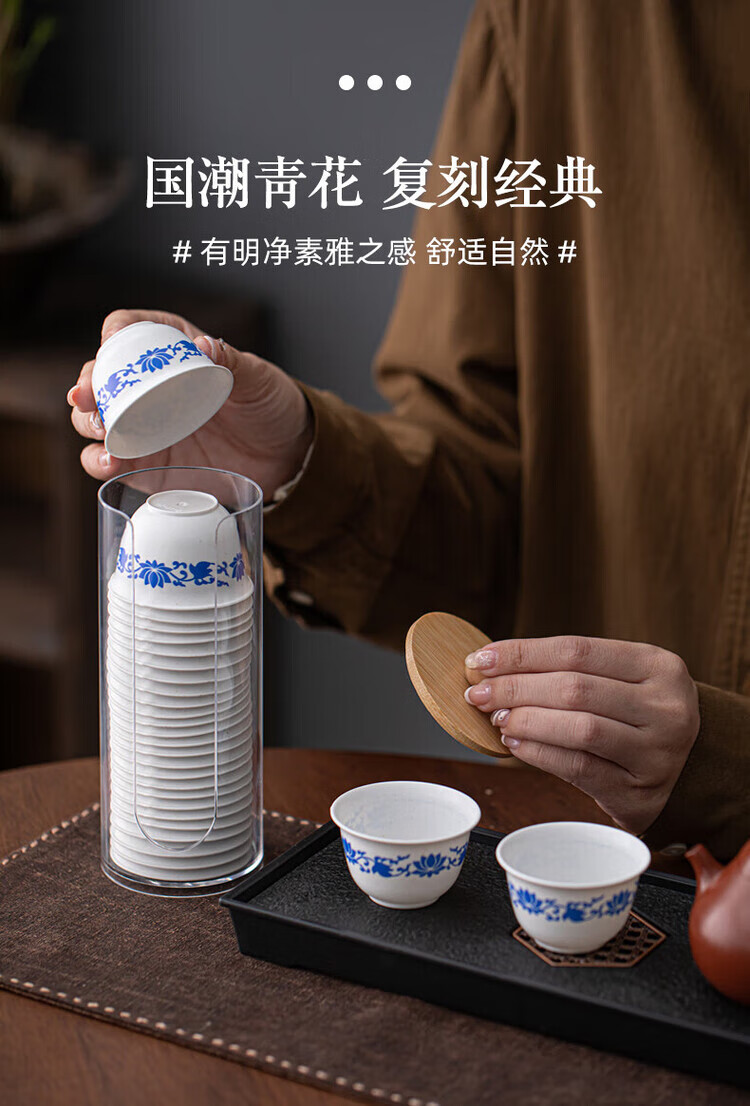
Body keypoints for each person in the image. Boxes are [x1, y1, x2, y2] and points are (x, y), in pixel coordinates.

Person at [68, 0, 749, 859]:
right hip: (584, 861)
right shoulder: (565, 21)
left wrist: (726, 766)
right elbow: (494, 506)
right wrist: (301, 463)